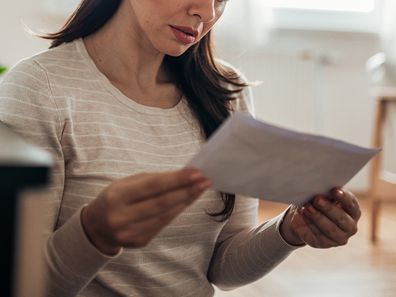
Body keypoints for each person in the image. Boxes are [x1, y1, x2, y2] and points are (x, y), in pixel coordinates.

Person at [0, 0, 361, 296]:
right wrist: (95, 232)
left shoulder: (226, 92)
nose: (207, 11)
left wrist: (290, 230)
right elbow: (24, 285)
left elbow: (223, 267)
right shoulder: (39, 89)